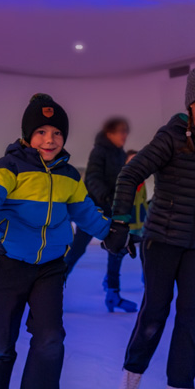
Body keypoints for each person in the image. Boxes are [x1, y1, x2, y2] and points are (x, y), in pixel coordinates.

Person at [0, 93, 118, 389]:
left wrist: (112, 234)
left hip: (50, 267)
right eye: (41, 132)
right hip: (10, 263)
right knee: (0, 337)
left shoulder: (68, 176)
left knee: (51, 337)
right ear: (27, 136)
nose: (49, 140)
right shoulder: (9, 167)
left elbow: (85, 212)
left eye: (57, 134)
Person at [107, 57, 195, 389]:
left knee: (193, 312)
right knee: (156, 311)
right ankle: (134, 369)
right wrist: (120, 222)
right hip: (161, 239)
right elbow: (129, 176)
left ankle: (180, 385)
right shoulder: (171, 138)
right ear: (192, 102)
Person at [64, 116, 137, 313]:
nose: (124, 135)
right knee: (78, 248)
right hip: (94, 211)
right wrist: (106, 197)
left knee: (117, 250)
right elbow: (93, 178)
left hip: (112, 210)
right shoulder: (99, 152)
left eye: (126, 131)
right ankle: (53, 288)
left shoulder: (120, 154)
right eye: (121, 131)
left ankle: (113, 294)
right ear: (109, 133)